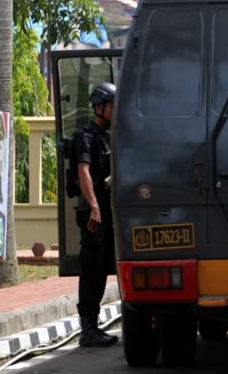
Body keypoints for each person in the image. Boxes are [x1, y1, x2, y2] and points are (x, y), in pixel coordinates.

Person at [74, 82, 118, 347]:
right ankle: (87, 328)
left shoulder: (106, 135)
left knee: (102, 269)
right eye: (111, 106)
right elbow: (83, 172)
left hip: (106, 211)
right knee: (91, 269)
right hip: (94, 213)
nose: (114, 110)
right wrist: (94, 207)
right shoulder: (86, 136)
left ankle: (94, 325)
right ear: (99, 107)